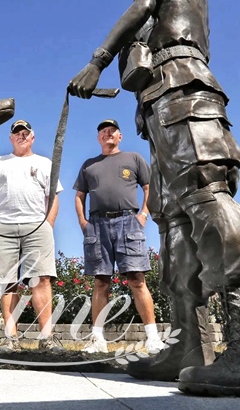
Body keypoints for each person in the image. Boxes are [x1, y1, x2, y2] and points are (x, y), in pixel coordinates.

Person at [68, 0, 240, 397]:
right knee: (172, 222)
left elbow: (143, 5)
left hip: (184, 95)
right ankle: (187, 346)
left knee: (206, 197)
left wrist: (98, 59)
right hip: (160, 106)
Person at [73, 119, 165, 355]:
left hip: (128, 222)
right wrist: (83, 222)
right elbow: (79, 195)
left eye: (112, 131)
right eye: (103, 131)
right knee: (101, 282)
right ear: (98, 138)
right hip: (97, 223)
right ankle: (97, 338)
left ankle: (153, 338)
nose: (107, 134)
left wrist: (144, 214)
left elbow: (149, 187)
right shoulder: (89, 165)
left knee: (137, 279)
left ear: (120, 136)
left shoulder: (133, 159)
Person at [0, 119, 65, 354]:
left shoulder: (45, 163)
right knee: (8, 283)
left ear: (32, 138)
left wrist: (48, 224)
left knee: (41, 279)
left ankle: (47, 337)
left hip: (37, 226)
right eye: (17, 133)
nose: (21, 136)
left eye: (26, 133)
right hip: (2, 229)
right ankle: (10, 338)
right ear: (11, 138)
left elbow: (53, 196)